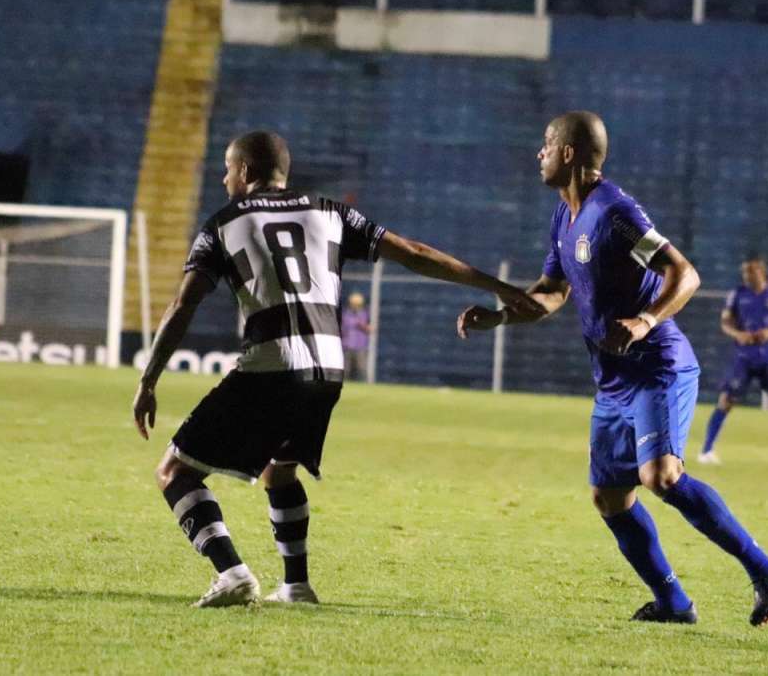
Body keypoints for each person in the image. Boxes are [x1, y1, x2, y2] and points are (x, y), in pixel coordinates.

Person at [132, 131, 542, 608]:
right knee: (279, 470)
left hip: (273, 363)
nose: (224, 179)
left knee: (174, 470)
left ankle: (233, 573)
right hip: (329, 365)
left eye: (228, 169)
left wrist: (148, 379)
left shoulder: (222, 224)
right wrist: (498, 286)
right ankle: (297, 586)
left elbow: (184, 304)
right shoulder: (331, 211)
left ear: (245, 172)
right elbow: (415, 253)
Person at [457, 111, 768, 626]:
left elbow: (685, 274)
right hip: (615, 381)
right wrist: (502, 316)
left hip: (658, 366)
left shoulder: (615, 213)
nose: (539, 152)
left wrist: (644, 319)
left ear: (569, 152)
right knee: (610, 496)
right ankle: (674, 603)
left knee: (660, 476)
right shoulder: (563, 215)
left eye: (547, 143)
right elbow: (553, 293)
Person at [698, 259, 768, 469]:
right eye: (745, 274)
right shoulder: (737, 294)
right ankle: (706, 450)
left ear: (761, 273)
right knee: (726, 400)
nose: (747, 277)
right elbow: (725, 323)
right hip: (744, 357)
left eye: (751, 273)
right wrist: (737, 334)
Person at [341, 292, 370, 381]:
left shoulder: (365, 314)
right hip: (347, 346)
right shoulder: (345, 314)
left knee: (361, 370)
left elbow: (370, 329)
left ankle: (363, 388)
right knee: (345, 370)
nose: (355, 306)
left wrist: (361, 324)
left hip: (360, 346)